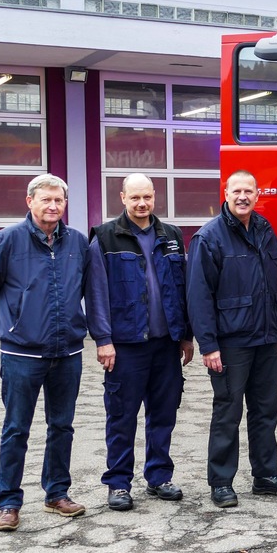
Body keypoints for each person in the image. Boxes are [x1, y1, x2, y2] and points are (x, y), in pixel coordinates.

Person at [0, 174, 91, 531]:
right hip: (22, 355)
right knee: (16, 429)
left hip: (67, 352)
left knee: (62, 427)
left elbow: (87, 290)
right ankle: (8, 502)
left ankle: (57, 494)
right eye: (45, 200)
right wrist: (8, 327)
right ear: (30, 201)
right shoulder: (6, 240)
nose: (52, 206)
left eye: (58, 201)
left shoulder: (77, 243)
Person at [187, 170, 277, 508]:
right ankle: (221, 482)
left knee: (266, 411)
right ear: (225, 192)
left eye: (248, 191)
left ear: (257, 194)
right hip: (231, 342)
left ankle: (266, 476)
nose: (243, 197)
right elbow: (198, 296)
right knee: (228, 412)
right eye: (236, 190)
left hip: (266, 339)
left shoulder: (265, 230)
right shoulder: (209, 237)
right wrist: (208, 345)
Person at [87, 173, 194, 511]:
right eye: (135, 198)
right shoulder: (105, 237)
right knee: (122, 416)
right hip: (126, 345)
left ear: (154, 196)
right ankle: (118, 484)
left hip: (166, 344)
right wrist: (103, 339)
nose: (142, 204)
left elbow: (183, 289)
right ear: (122, 197)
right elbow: (96, 295)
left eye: (147, 197)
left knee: (164, 414)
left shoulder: (172, 235)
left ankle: (159, 476)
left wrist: (186, 336)